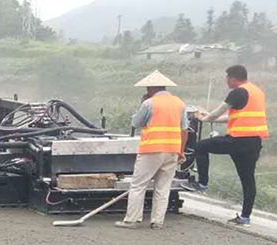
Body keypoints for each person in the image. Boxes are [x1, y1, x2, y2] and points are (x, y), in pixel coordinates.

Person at [192, 64, 268, 226]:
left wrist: (203, 118)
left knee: (200, 146)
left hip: (238, 141)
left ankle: (202, 184)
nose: (226, 81)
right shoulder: (257, 92)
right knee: (248, 179)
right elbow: (234, 117)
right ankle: (245, 217)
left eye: (227, 78)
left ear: (233, 78)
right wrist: (210, 118)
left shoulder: (238, 92)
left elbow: (219, 111)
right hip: (254, 142)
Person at [115, 71, 188, 229]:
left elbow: (135, 123)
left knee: (138, 185)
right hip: (172, 151)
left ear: (150, 88)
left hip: (152, 150)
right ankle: (157, 222)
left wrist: (142, 103)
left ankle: (132, 220)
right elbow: (184, 130)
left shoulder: (149, 103)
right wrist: (181, 151)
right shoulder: (180, 103)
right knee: (163, 187)